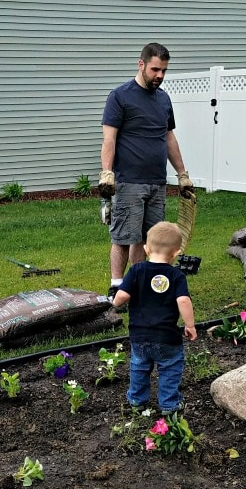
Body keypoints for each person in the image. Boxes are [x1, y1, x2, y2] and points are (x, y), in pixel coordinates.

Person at [99, 42, 194, 300]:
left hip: (156, 182)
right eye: (155, 69)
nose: (160, 76)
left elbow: (169, 137)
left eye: (163, 70)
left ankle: (140, 285)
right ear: (141, 64)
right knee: (123, 236)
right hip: (129, 181)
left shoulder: (163, 99)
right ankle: (117, 286)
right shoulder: (120, 96)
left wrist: (182, 175)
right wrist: (107, 172)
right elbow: (109, 139)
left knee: (150, 238)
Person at [112, 221, 197, 416]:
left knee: (139, 368)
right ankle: (169, 405)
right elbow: (183, 301)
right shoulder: (177, 275)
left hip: (139, 335)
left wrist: (114, 304)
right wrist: (190, 325)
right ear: (176, 253)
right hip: (167, 337)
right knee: (170, 369)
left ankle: (136, 401)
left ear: (147, 249)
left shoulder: (136, 270)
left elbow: (123, 296)